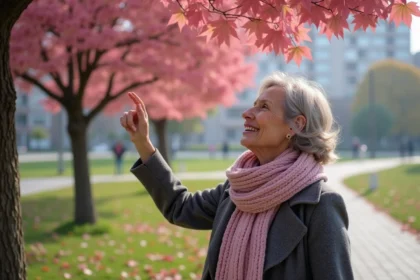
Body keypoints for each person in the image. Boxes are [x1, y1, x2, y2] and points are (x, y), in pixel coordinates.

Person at [120, 72, 354, 280]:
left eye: (263, 107)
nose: (246, 113)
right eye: (254, 104)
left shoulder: (320, 204)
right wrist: (143, 143)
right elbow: (180, 207)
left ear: (296, 125)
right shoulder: (236, 189)